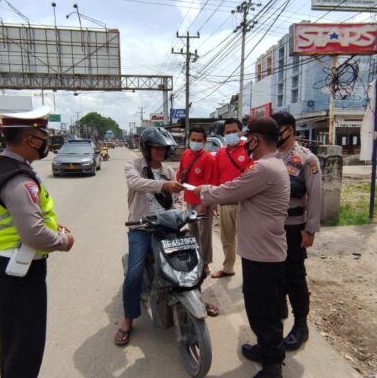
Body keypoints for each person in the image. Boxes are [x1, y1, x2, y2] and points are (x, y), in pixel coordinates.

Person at [0, 112, 75, 378]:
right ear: (31, 139)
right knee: (25, 351)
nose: (46, 142)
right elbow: (34, 235)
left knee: (13, 346)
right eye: (43, 136)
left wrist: (51, 225)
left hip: (2, 264)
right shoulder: (18, 179)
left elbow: (20, 218)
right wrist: (63, 240)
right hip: (19, 273)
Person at [194, 118, 290, 378]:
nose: (246, 142)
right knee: (261, 304)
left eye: (249, 137)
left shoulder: (264, 168)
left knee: (264, 309)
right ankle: (264, 348)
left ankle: (272, 366)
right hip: (262, 250)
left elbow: (230, 191)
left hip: (264, 254)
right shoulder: (271, 165)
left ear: (257, 139)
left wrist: (202, 192)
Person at [116, 127, 185, 346]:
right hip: (141, 227)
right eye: (156, 147)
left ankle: (195, 299)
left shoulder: (169, 171)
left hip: (166, 227)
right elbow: (137, 184)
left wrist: (181, 213)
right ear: (146, 148)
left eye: (164, 148)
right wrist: (163, 184)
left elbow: (177, 199)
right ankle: (128, 319)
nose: (161, 151)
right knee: (134, 274)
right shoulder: (133, 166)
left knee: (189, 263)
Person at [272, 112, 322, 351]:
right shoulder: (271, 156)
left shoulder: (306, 159)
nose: (274, 134)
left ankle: (301, 324)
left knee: (294, 276)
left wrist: (310, 229)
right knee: (275, 273)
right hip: (271, 228)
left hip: (293, 227)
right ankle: (278, 312)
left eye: (277, 129)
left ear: (289, 130)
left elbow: (315, 196)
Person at [177, 125, 220, 316]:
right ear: (189, 138)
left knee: (205, 235)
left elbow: (211, 182)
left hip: (203, 203)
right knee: (192, 233)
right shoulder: (186, 154)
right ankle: (196, 258)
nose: (195, 142)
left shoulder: (208, 158)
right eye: (193, 138)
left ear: (204, 140)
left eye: (199, 139)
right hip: (189, 200)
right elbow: (180, 173)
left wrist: (206, 203)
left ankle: (206, 262)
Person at [212, 118, 253, 278]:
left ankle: (250, 274)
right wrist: (214, 201)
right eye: (227, 132)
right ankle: (228, 268)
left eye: (234, 131)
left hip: (246, 204)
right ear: (223, 134)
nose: (231, 135)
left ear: (240, 131)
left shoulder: (249, 150)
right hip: (225, 202)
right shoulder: (221, 153)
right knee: (227, 238)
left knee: (247, 240)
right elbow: (216, 178)